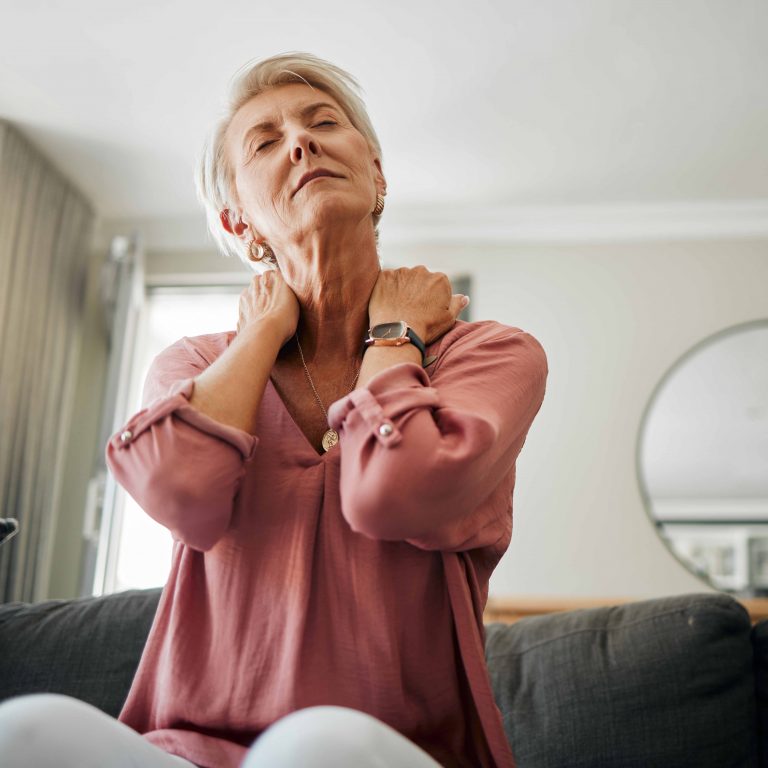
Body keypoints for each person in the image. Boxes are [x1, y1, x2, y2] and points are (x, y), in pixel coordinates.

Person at [0, 52, 547, 768]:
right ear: (237, 219)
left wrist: (393, 337)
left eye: (324, 123)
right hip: (190, 749)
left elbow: (393, 494)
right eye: (265, 141)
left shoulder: (488, 356)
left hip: (383, 750)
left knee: (312, 747)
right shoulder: (194, 366)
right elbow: (180, 492)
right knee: (27, 732)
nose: (301, 141)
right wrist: (262, 328)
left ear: (377, 176)